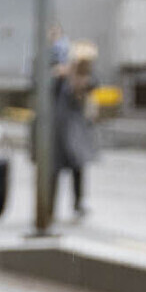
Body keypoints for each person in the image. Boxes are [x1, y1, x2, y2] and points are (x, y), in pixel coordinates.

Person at [55, 39, 103, 217]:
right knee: (56, 166)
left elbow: (94, 84)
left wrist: (83, 80)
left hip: (76, 127)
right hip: (61, 126)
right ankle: (53, 204)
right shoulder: (62, 74)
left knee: (78, 165)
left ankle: (78, 202)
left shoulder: (87, 75)